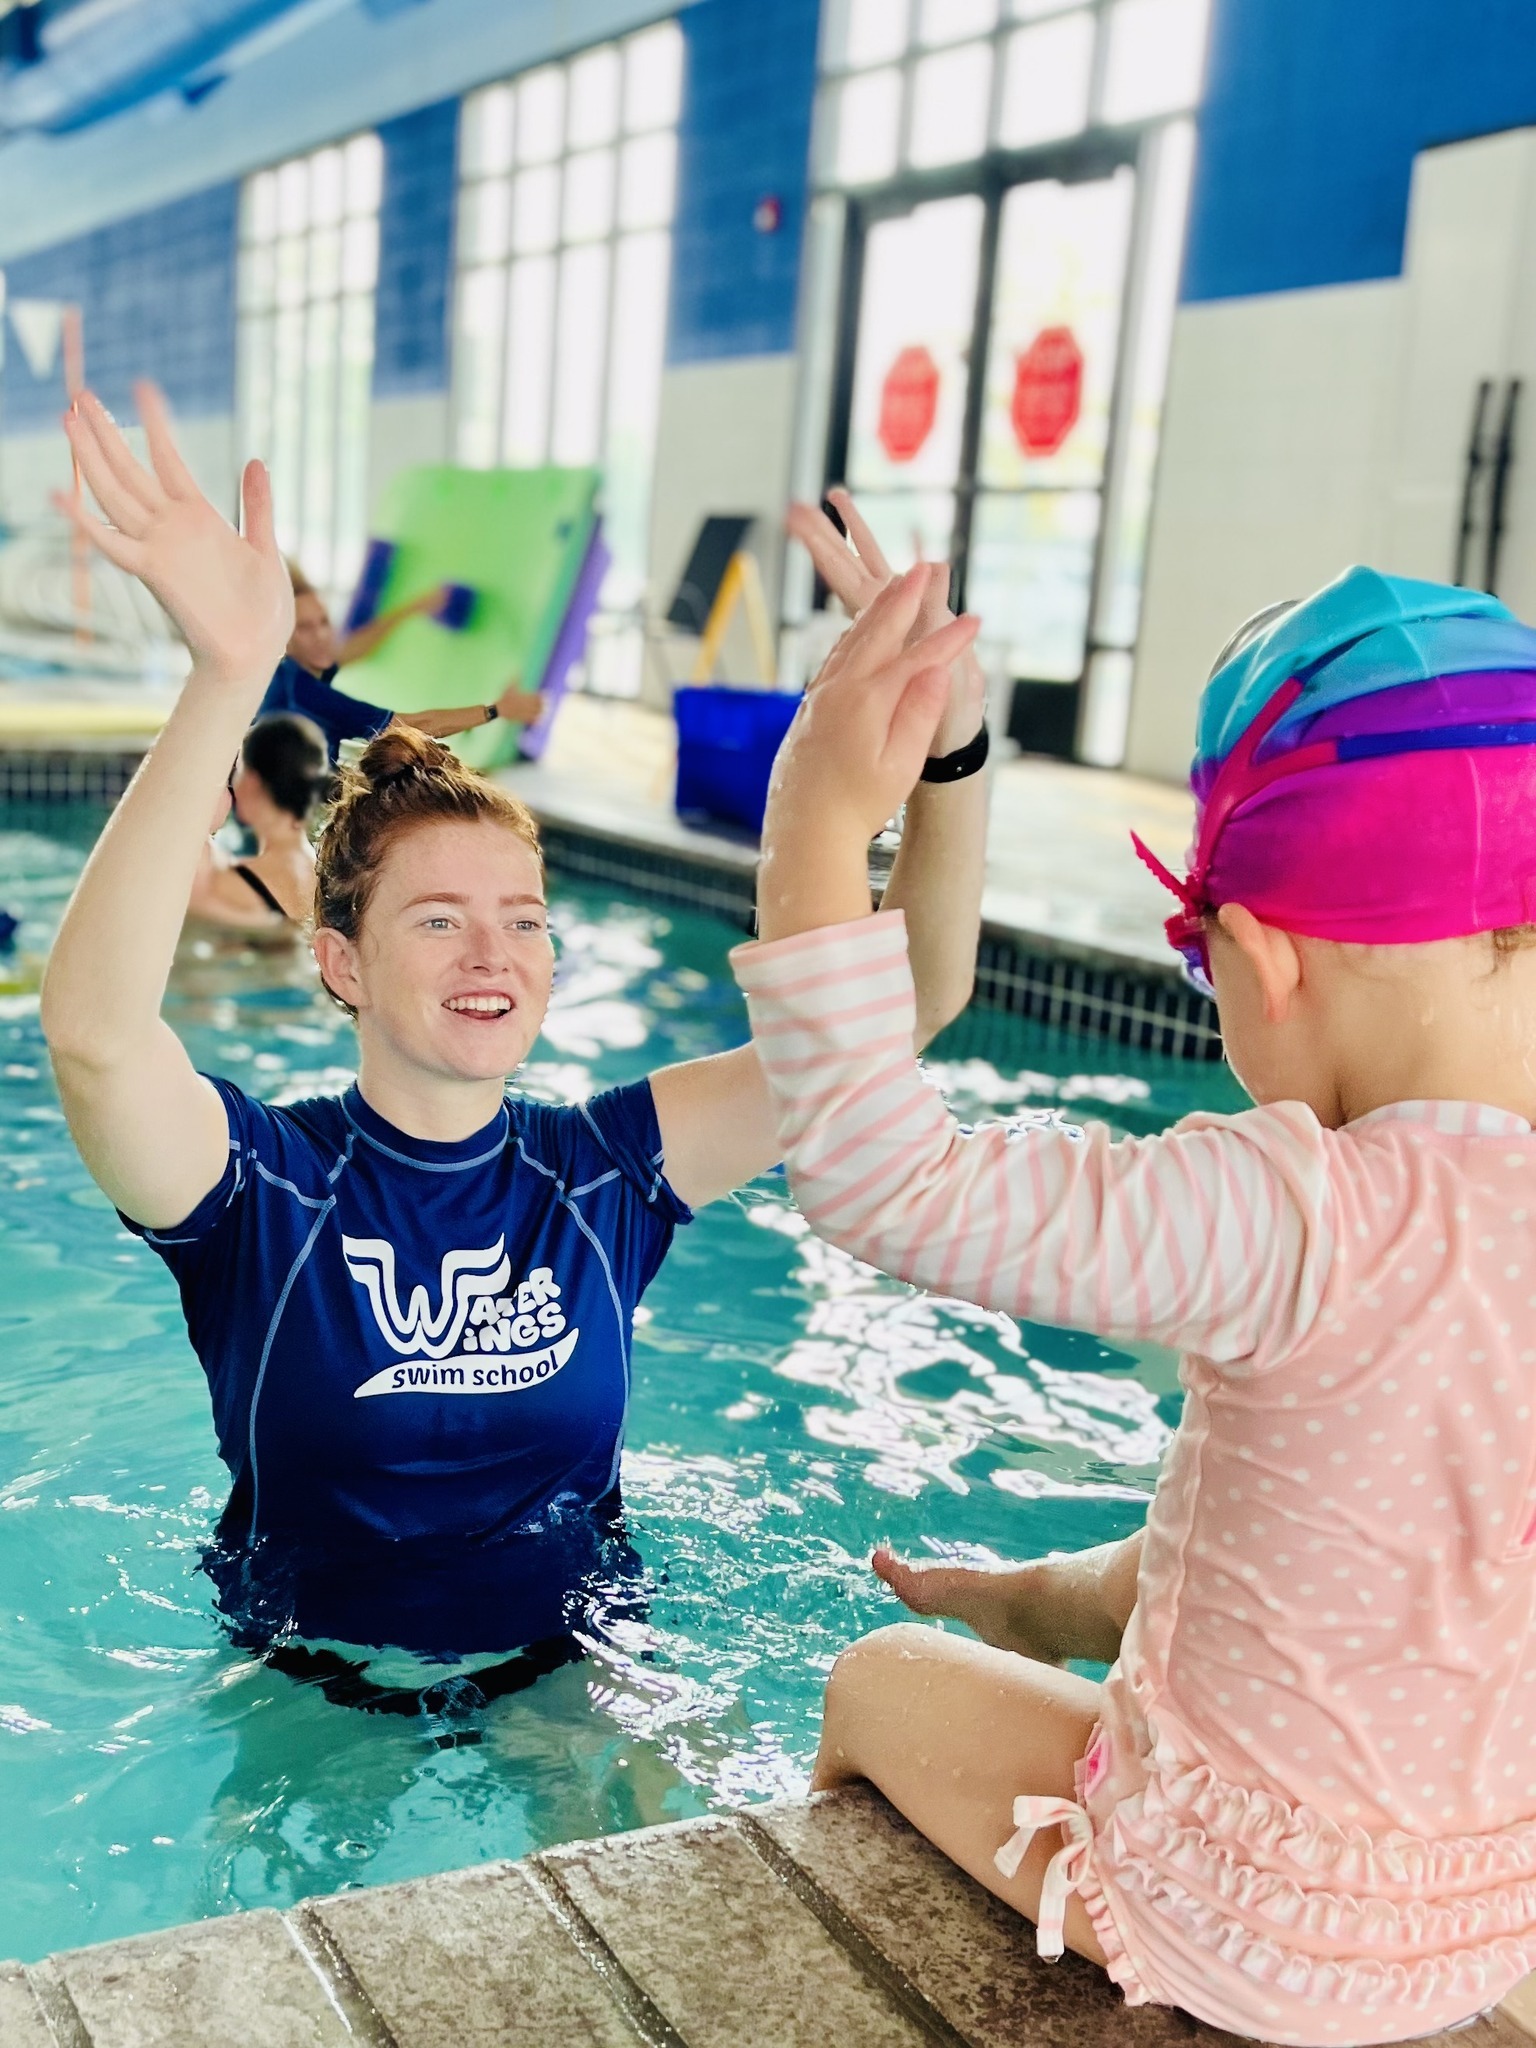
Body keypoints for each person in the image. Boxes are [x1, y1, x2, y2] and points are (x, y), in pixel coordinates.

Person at [38, 385, 989, 1702]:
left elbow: (914, 1004)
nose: (492, 956)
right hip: (300, 1693)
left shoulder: (606, 1172)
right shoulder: (262, 1189)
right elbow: (93, 1037)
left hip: (576, 1672)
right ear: (340, 962)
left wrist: (957, 752)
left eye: (522, 920)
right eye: (438, 920)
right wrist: (226, 677)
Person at [733, 565, 1536, 2045]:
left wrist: (820, 822)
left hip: (1230, 1927)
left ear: (1266, 962)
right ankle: (1049, 1614)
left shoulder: (1294, 1208)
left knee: (877, 1677)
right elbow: (1352, 1557)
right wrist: (1047, 1602)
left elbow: (883, 1179)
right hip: (1483, 1937)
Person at [262, 560, 545, 763]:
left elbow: (353, 650)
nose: (321, 636)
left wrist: (415, 608)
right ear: (284, 638)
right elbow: (415, 725)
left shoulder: (292, 672)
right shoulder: (304, 692)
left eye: (324, 622)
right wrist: (497, 710)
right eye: (305, 628)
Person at [187, 712, 331, 931]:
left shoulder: (232, 886)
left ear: (252, 782)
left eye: (237, 772)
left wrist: (201, 825)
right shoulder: (327, 873)